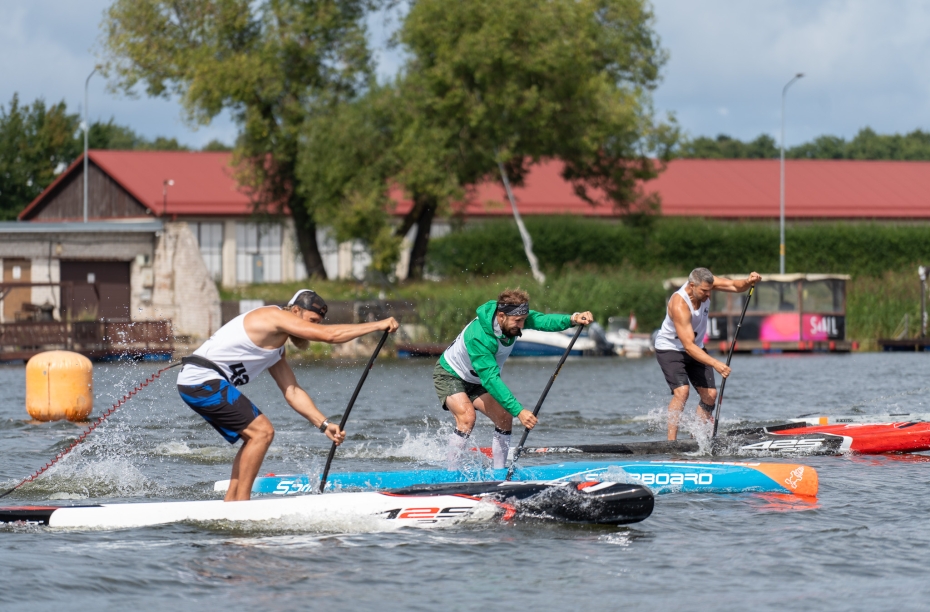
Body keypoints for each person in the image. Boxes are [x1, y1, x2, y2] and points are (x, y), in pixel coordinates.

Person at [176, 289, 398, 501]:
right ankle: (240, 507)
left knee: (253, 437)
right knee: (262, 432)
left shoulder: (276, 349)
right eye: (311, 321)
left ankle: (232, 502)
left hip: (199, 382)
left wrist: (324, 424)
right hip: (200, 380)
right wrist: (379, 325)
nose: (312, 328)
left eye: (318, 323)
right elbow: (330, 336)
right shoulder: (273, 316)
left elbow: (291, 390)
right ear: (295, 312)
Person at [434, 288, 593, 469]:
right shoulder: (479, 337)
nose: (522, 326)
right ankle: (451, 473)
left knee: (504, 417)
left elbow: (542, 320)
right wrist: (520, 411)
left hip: (478, 379)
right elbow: (491, 380)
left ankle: (499, 473)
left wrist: (572, 319)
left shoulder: (514, 316)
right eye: (518, 321)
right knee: (467, 418)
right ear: (501, 316)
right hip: (451, 374)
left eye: (524, 320)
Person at [654, 268, 761, 440]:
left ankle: (694, 438)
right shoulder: (679, 304)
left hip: (695, 347)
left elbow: (735, 286)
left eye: (710, 290)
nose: (708, 294)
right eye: (704, 291)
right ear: (691, 285)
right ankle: (671, 442)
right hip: (670, 348)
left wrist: (748, 282)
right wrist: (716, 364)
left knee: (710, 395)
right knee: (682, 392)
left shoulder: (706, 284)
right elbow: (688, 346)